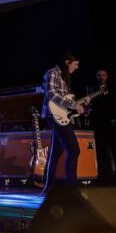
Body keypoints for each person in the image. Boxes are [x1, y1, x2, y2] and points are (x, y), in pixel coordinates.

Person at [41, 51, 88, 194]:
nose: (77, 67)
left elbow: (64, 102)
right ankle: (72, 188)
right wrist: (74, 105)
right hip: (53, 116)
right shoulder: (52, 73)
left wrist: (78, 108)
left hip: (61, 116)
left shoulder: (64, 76)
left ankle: (48, 187)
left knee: (55, 153)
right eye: (75, 64)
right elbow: (51, 94)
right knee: (74, 149)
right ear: (67, 62)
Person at [88, 69, 116, 184]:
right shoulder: (93, 90)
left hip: (110, 124)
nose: (101, 77)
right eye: (99, 75)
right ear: (96, 77)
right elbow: (89, 106)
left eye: (104, 75)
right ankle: (104, 177)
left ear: (107, 76)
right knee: (100, 152)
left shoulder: (114, 89)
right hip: (97, 124)